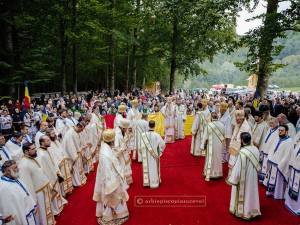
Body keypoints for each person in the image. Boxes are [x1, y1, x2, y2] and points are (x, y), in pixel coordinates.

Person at [93, 129, 129, 225]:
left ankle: (118, 214)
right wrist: (113, 184)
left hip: (111, 177)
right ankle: (110, 217)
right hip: (110, 181)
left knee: (114, 197)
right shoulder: (105, 154)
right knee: (112, 198)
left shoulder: (106, 147)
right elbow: (107, 171)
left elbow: (112, 157)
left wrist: (120, 150)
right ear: (112, 140)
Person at [18, 142, 55, 225]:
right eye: (33, 149)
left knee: (45, 212)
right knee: (41, 214)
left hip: (43, 190)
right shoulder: (24, 165)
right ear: (26, 151)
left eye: (35, 148)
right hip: (38, 194)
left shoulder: (31, 158)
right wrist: (33, 202)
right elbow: (28, 185)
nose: (36, 150)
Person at [227, 132, 261, 220]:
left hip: (244, 178)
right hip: (253, 177)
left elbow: (237, 168)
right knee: (251, 193)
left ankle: (243, 212)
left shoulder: (242, 152)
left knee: (245, 193)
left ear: (242, 140)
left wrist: (233, 179)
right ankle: (253, 211)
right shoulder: (256, 149)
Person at [36, 135, 67, 215]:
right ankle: (55, 211)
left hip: (54, 174)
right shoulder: (41, 155)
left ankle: (59, 206)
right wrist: (49, 180)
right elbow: (43, 169)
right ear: (42, 142)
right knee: (53, 195)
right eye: (47, 140)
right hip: (50, 178)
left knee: (57, 192)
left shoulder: (46, 149)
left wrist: (57, 172)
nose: (50, 141)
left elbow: (52, 162)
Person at [0, 160, 37, 225]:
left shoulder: (15, 178)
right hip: (20, 216)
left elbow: (26, 192)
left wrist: (32, 205)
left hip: (28, 213)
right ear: (8, 171)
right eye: (15, 168)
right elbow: (8, 208)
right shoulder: (3, 187)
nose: (18, 169)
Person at [263, 124, 294, 199]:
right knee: (271, 178)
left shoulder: (289, 142)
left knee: (278, 182)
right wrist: (269, 159)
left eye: (282, 131)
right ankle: (270, 192)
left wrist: (281, 164)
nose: (280, 132)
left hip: (279, 165)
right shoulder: (277, 138)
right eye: (279, 130)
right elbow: (271, 149)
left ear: (286, 132)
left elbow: (287, 155)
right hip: (272, 162)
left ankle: (277, 195)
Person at [47, 128, 73, 196]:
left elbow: (61, 149)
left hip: (63, 160)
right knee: (62, 178)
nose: (54, 135)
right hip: (59, 164)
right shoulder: (49, 145)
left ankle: (69, 189)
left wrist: (65, 156)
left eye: (54, 133)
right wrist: (59, 162)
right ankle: (64, 192)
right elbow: (53, 156)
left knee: (67, 175)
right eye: (52, 134)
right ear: (48, 135)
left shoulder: (56, 141)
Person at [140, 120, 166, 188]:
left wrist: (142, 154)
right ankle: (154, 183)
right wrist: (159, 152)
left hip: (146, 156)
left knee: (148, 168)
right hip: (154, 156)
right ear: (154, 126)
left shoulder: (143, 135)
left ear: (148, 126)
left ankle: (147, 183)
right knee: (154, 168)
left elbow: (140, 148)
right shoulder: (157, 135)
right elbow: (163, 145)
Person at [61, 121, 87, 187]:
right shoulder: (70, 134)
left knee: (78, 167)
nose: (81, 131)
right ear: (78, 127)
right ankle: (77, 183)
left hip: (77, 153)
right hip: (71, 155)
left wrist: (81, 149)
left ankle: (80, 180)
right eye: (81, 130)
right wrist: (75, 157)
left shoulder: (75, 131)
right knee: (75, 168)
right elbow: (70, 147)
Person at [201, 112, 225, 181]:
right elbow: (224, 135)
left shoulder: (209, 125)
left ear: (211, 117)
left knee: (210, 159)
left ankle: (210, 174)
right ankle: (218, 173)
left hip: (211, 146)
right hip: (219, 145)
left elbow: (205, 137)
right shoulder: (222, 125)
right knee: (218, 158)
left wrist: (202, 146)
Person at [258, 117, 279, 183]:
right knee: (263, 166)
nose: (271, 124)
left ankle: (266, 181)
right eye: (270, 123)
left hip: (270, 152)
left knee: (268, 168)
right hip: (264, 150)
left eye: (272, 123)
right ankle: (262, 179)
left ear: (276, 123)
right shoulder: (270, 129)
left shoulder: (278, 131)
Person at [284, 135, 300, 215]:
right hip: (294, 168)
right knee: (292, 184)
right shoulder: (298, 144)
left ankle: (297, 208)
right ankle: (290, 204)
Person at [114, 118, 132, 185]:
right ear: (122, 128)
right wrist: (122, 149)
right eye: (125, 129)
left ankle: (126, 180)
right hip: (120, 154)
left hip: (124, 153)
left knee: (126, 166)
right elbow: (115, 147)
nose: (126, 130)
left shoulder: (122, 132)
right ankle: (122, 182)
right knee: (122, 167)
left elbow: (125, 141)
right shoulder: (117, 135)